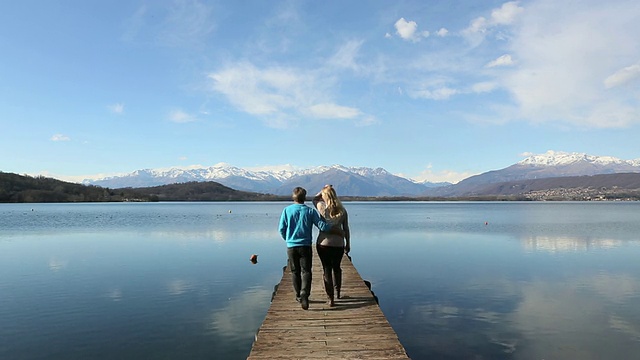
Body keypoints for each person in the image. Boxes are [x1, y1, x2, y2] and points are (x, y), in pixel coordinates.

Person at [279, 187, 335, 310]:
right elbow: (323, 227)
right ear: (304, 198)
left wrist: (288, 239)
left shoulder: (286, 211)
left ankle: (299, 295)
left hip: (291, 246)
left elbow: (281, 229)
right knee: (306, 271)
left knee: (295, 271)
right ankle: (305, 293)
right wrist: (334, 223)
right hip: (305, 246)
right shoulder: (310, 211)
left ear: (293, 197)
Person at [313, 185, 350, 307]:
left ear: (325, 197)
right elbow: (346, 229)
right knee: (337, 268)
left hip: (324, 244)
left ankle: (331, 299)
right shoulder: (343, 211)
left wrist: (323, 189)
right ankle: (338, 292)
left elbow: (314, 199)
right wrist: (348, 243)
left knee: (326, 270)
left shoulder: (322, 208)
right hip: (338, 244)